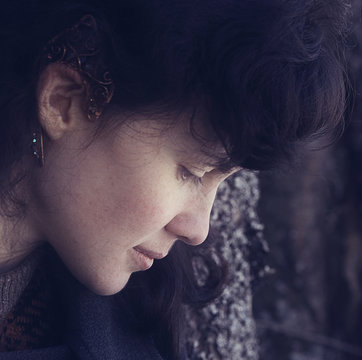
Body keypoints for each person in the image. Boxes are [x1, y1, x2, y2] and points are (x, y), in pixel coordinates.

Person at [0, 0, 349, 359]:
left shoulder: (140, 326)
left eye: (223, 182)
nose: (198, 231)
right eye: (193, 172)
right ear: (63, 103)